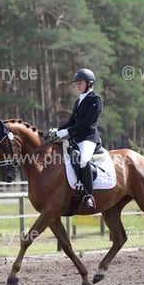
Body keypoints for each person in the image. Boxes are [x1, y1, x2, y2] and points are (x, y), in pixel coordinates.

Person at [48, 68, 103, 209]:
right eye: (77, 83)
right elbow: (72, 121)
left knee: (83, 160)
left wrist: (67, 131)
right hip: (76, 138)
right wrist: (58, 129)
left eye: (80, 83)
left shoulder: (95, 100)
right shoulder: (78, 101)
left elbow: (87, 122)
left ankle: (89, 195)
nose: (78, 86)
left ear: (89, 83)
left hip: (88, 138)